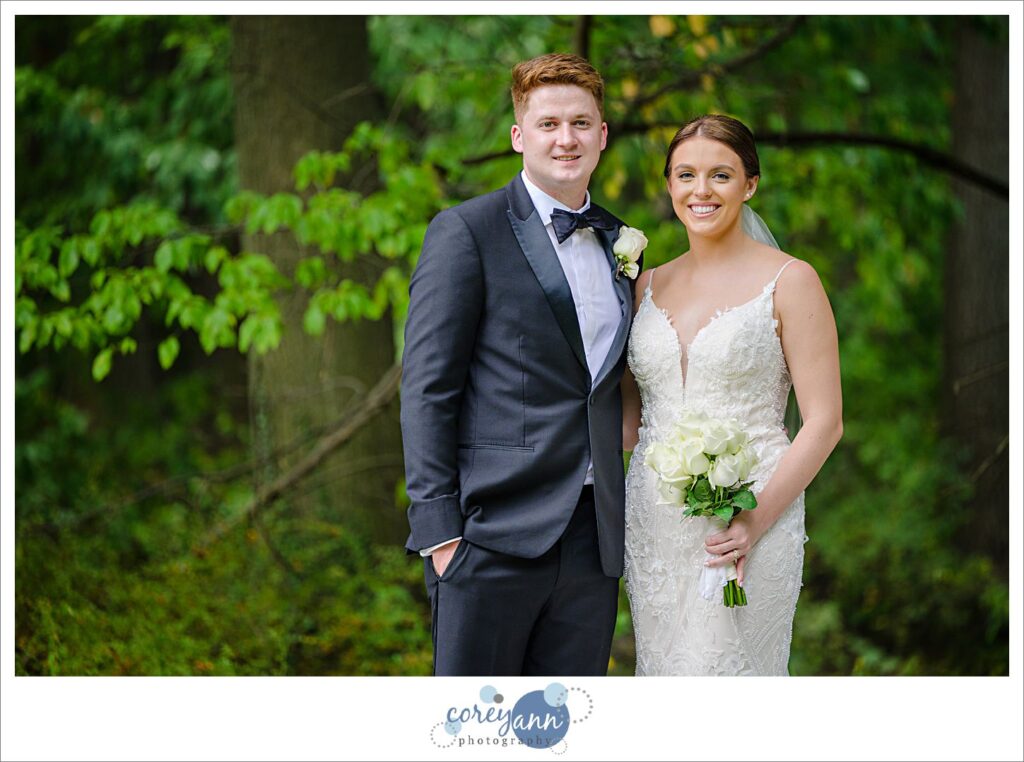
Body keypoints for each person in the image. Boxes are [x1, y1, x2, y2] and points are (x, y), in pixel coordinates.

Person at [401, 53, 645, 676]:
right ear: (518, 136)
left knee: (563, 721)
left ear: (602, 135)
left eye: (581, 123)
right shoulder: (467, 231)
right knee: (476, 721)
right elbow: (428, 389)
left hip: (593, 538)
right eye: (548, 124)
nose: (566, 139)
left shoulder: (622, 242)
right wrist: (440, 533)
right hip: (490, 533)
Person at [621, 114, 843, 675]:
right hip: (654, 526)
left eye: (720, 175)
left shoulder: (791, 281)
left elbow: (824, 422)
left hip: (751, 511)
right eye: (686, 175)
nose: (701, 190)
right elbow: (627, 419)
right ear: (669, 185)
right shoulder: (644, 286)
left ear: (750, 184)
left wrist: (753, 521)